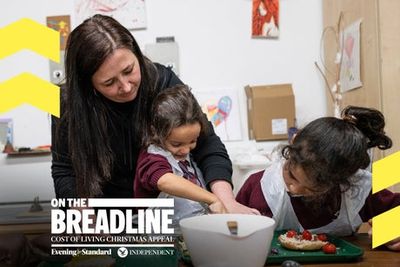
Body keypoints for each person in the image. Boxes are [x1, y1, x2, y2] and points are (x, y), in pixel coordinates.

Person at [51, 14, 257, 214]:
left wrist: (227, 202)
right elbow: (65, 172)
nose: (126, 86)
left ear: (137, 55)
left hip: (166, 212)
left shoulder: (162, 81)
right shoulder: (67, 103)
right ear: (88, 85)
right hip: (105, 215)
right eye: (109, 82)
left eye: (129, 70)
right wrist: (86, 218)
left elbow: (207, 145)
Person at [236, 106, 400, 251]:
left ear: (342, 182)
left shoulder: (357, 189)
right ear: (293, 143)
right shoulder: (259, 187)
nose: (294, 189)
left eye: (312, 189)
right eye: (292, 176)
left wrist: (390, 229)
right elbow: (233, 229)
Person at [134, 85, 226, 229]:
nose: (185, 150)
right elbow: (164, 181)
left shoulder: (183, 151)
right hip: (160, 236)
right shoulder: (151, 158)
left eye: (192, 141)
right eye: (176, 144)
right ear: (155, 132)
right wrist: (212, 199)